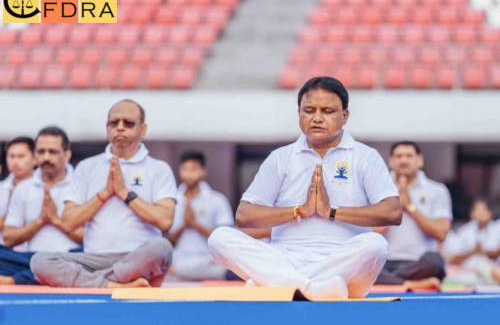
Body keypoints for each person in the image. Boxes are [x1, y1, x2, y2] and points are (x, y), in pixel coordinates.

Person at [208, 76, 402, 299]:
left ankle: (281, 285)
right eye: (309, 110)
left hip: (345, 260)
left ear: (345, 116)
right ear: (299, 113)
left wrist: (331, 211)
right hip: (286, 256)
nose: (317, 118)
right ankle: (313, 288)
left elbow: (393, 212)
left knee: (375, 244)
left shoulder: (365, 156)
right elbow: (244, 216)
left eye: (327, 111)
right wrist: (299, 211)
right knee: (219, 238)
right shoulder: (280, 158)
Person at [31, 100, 177, 288]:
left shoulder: (158, 168)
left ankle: (95, 283)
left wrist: (124, 193)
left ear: (143, 129)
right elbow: (69, 221)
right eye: (114, 123)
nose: (120, 128)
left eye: (128, 123)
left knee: (162, 248)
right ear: (107, 128)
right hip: (94, 258)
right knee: (40, 261)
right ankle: (114, 284)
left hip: (137, 257)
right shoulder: (87, 167)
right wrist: (104, 194)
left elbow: (165, 220)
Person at [0, 127, 82, 285]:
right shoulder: (24, 187)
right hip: (30, 259)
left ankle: (13, 280)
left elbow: (92, 238)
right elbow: (9, 238)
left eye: (52, 152)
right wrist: (39, 222)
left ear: (67, 155)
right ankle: (36, 276)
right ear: (35, 155)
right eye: (41, 151)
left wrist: (56, 221)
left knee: (91, 260)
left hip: (71, 257)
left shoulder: (81, 184)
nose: (46, 157)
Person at [374, 141, 452, 289]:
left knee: (434, 262)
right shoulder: (376, 188)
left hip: (419, 263)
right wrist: (395, 210)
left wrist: (410, 207)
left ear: (420, 160)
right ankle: (409, 283)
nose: (403, 160)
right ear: (390, 161)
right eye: (398, 156)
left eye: (409, 156)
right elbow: (366, 231)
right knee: (361, 264)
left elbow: (441, 233)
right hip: (383, 261)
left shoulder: (437, 190)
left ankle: (392, 281)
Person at [168, 151, 234, 281]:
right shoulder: (172, 200)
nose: (189, 174)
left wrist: (195, 224)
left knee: (228, 272)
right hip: (180, 260)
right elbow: (171, 239)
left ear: (203, 171)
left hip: (209, 262)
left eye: (194, 169)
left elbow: (225, 239)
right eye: (185, 169)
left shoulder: (217, 200)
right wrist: (185, 224)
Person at [442, 198, 500, 285]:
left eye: (484, 210)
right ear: (472, 214)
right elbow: (453, 259)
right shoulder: (465, 231)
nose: (481, 213)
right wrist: (472, 252)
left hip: (492, 269)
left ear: (491, 213)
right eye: (478, 210)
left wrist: (484, 252)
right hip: (469, 272)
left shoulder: (497, 228)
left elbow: (495, 254)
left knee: (484, 265)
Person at [0, 137, 36, 250]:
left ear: (35, 158)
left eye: (21, 156)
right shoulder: (2, 189)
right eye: (11, 156)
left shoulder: (45, 189)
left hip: (34, 253)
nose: (15, 162)